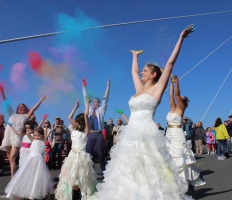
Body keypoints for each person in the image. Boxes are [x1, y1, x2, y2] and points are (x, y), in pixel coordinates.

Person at [89, 24, 195, 200]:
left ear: (154, 75)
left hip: (147, 132)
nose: (142, 74)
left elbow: (169, 63)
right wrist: (135, 56)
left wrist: (180, 38)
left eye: (146, 71)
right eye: (143, 71)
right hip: (130, 133)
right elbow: (133, 71)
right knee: (128, 170)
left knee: (149, 170)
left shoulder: (158, 88)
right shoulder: (139, 89)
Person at [166, 76, 205, 187]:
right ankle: (173, 176)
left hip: (177, 132)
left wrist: (177, 83)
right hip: (169, 133)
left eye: (181, 97)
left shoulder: (181, 107)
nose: (179, 97)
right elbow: (171, 95)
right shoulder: (172, 106)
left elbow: (176, 95)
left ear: (183, 101)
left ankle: (184, 179)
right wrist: (171, 84)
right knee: (170, 153)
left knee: (179, 154)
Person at [0, 86, 46, 178]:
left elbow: (33, 109)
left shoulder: (25, 116)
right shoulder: (12, 114)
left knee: (12, 157)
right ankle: (15, 177)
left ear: (25, 109)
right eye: (19, 106)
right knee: (11, 160)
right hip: (8, 136)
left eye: (22, 107)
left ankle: (14, 178)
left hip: (17, 138)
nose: (20, 107)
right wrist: (2, 93)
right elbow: (6, 103)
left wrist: (41, 100)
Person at [55, 98, 97, 200]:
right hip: (72, 155)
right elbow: (69, 117)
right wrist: (76, 107)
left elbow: (86, 115)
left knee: (81, 176)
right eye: (76, 122)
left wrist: (87, 103)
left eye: (78, 122)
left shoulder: (86, 131)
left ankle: (80, 193)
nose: (76, 123)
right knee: (70, 176)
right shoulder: (74, 129)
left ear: (82, 123)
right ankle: (73, 192)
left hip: (82, 156)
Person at [5, 127, 54, 199]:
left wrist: (44, 129)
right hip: (30, 159)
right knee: (26, 174)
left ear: (42, 136)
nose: (36, 137)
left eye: (38, 136)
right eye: (35, 135)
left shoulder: (43, 141)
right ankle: (26, 192)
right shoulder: (33, 140)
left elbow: (45, 135)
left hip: (38, 161)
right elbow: (28, 133)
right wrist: (33, 130)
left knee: (38, 176)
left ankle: (38, 193)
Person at [82, 78, 110, 174]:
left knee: (100, 153)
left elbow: (105, 98)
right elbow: (85, 98)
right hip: (90, 134)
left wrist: (107, 86)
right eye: (92, 102)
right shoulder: (89, 109)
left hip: (98, 134)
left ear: (98, 103)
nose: (94, 103)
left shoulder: (101, 110)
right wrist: (84, 87)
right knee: (89, 153)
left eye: (96, 102)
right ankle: (91, 172)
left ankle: (103, 171)